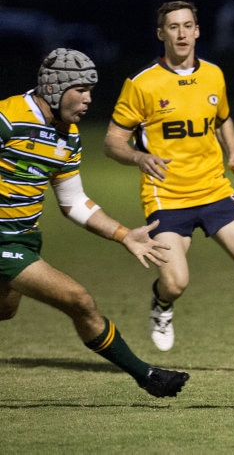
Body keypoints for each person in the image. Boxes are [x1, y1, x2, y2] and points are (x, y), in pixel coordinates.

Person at [103, 1, 234, 373]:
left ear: (198, 31)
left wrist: (233, 154)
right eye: (174, 27)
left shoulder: (214, 75)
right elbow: (112, 142)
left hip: (215, 190)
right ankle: (162, 305)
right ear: (161, 34)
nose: (182, 33)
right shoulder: (142, 84)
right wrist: (139, 158)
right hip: (167, 197)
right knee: (176, 283)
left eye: (188, 26)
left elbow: (222, 118)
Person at [0, 48, 188, 397]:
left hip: (24, 240)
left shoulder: (67, 135)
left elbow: (73, 202)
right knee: (80, 301)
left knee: (5, 311)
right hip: (4, 243)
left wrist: (124, 235)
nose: (88, 100)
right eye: (81, 90)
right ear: (55, 88)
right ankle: (148, 376)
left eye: (91, 91)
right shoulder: (8, 118)